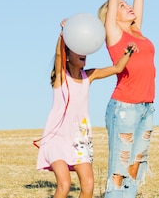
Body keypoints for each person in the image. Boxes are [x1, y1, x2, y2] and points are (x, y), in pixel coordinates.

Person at [35, 20, 137, 198]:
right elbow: (58, 56)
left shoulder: (89, 76)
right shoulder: (61, 77)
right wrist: (64, 33)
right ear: (68, 55)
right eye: (77, 48)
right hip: (56, 139)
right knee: (64, 184)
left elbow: (117, 68)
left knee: (88, 185)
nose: (83, 52)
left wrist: (128, 51)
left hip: (79, 139)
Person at [97, 0, 156, 197]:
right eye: (121, 6)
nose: (128, 6)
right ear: (111, 14)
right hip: (125, 107)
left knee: (135, 166)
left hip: (146, 106)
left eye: (126, 4)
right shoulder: (114, 34)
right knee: (119, 170)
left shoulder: (137, 30)